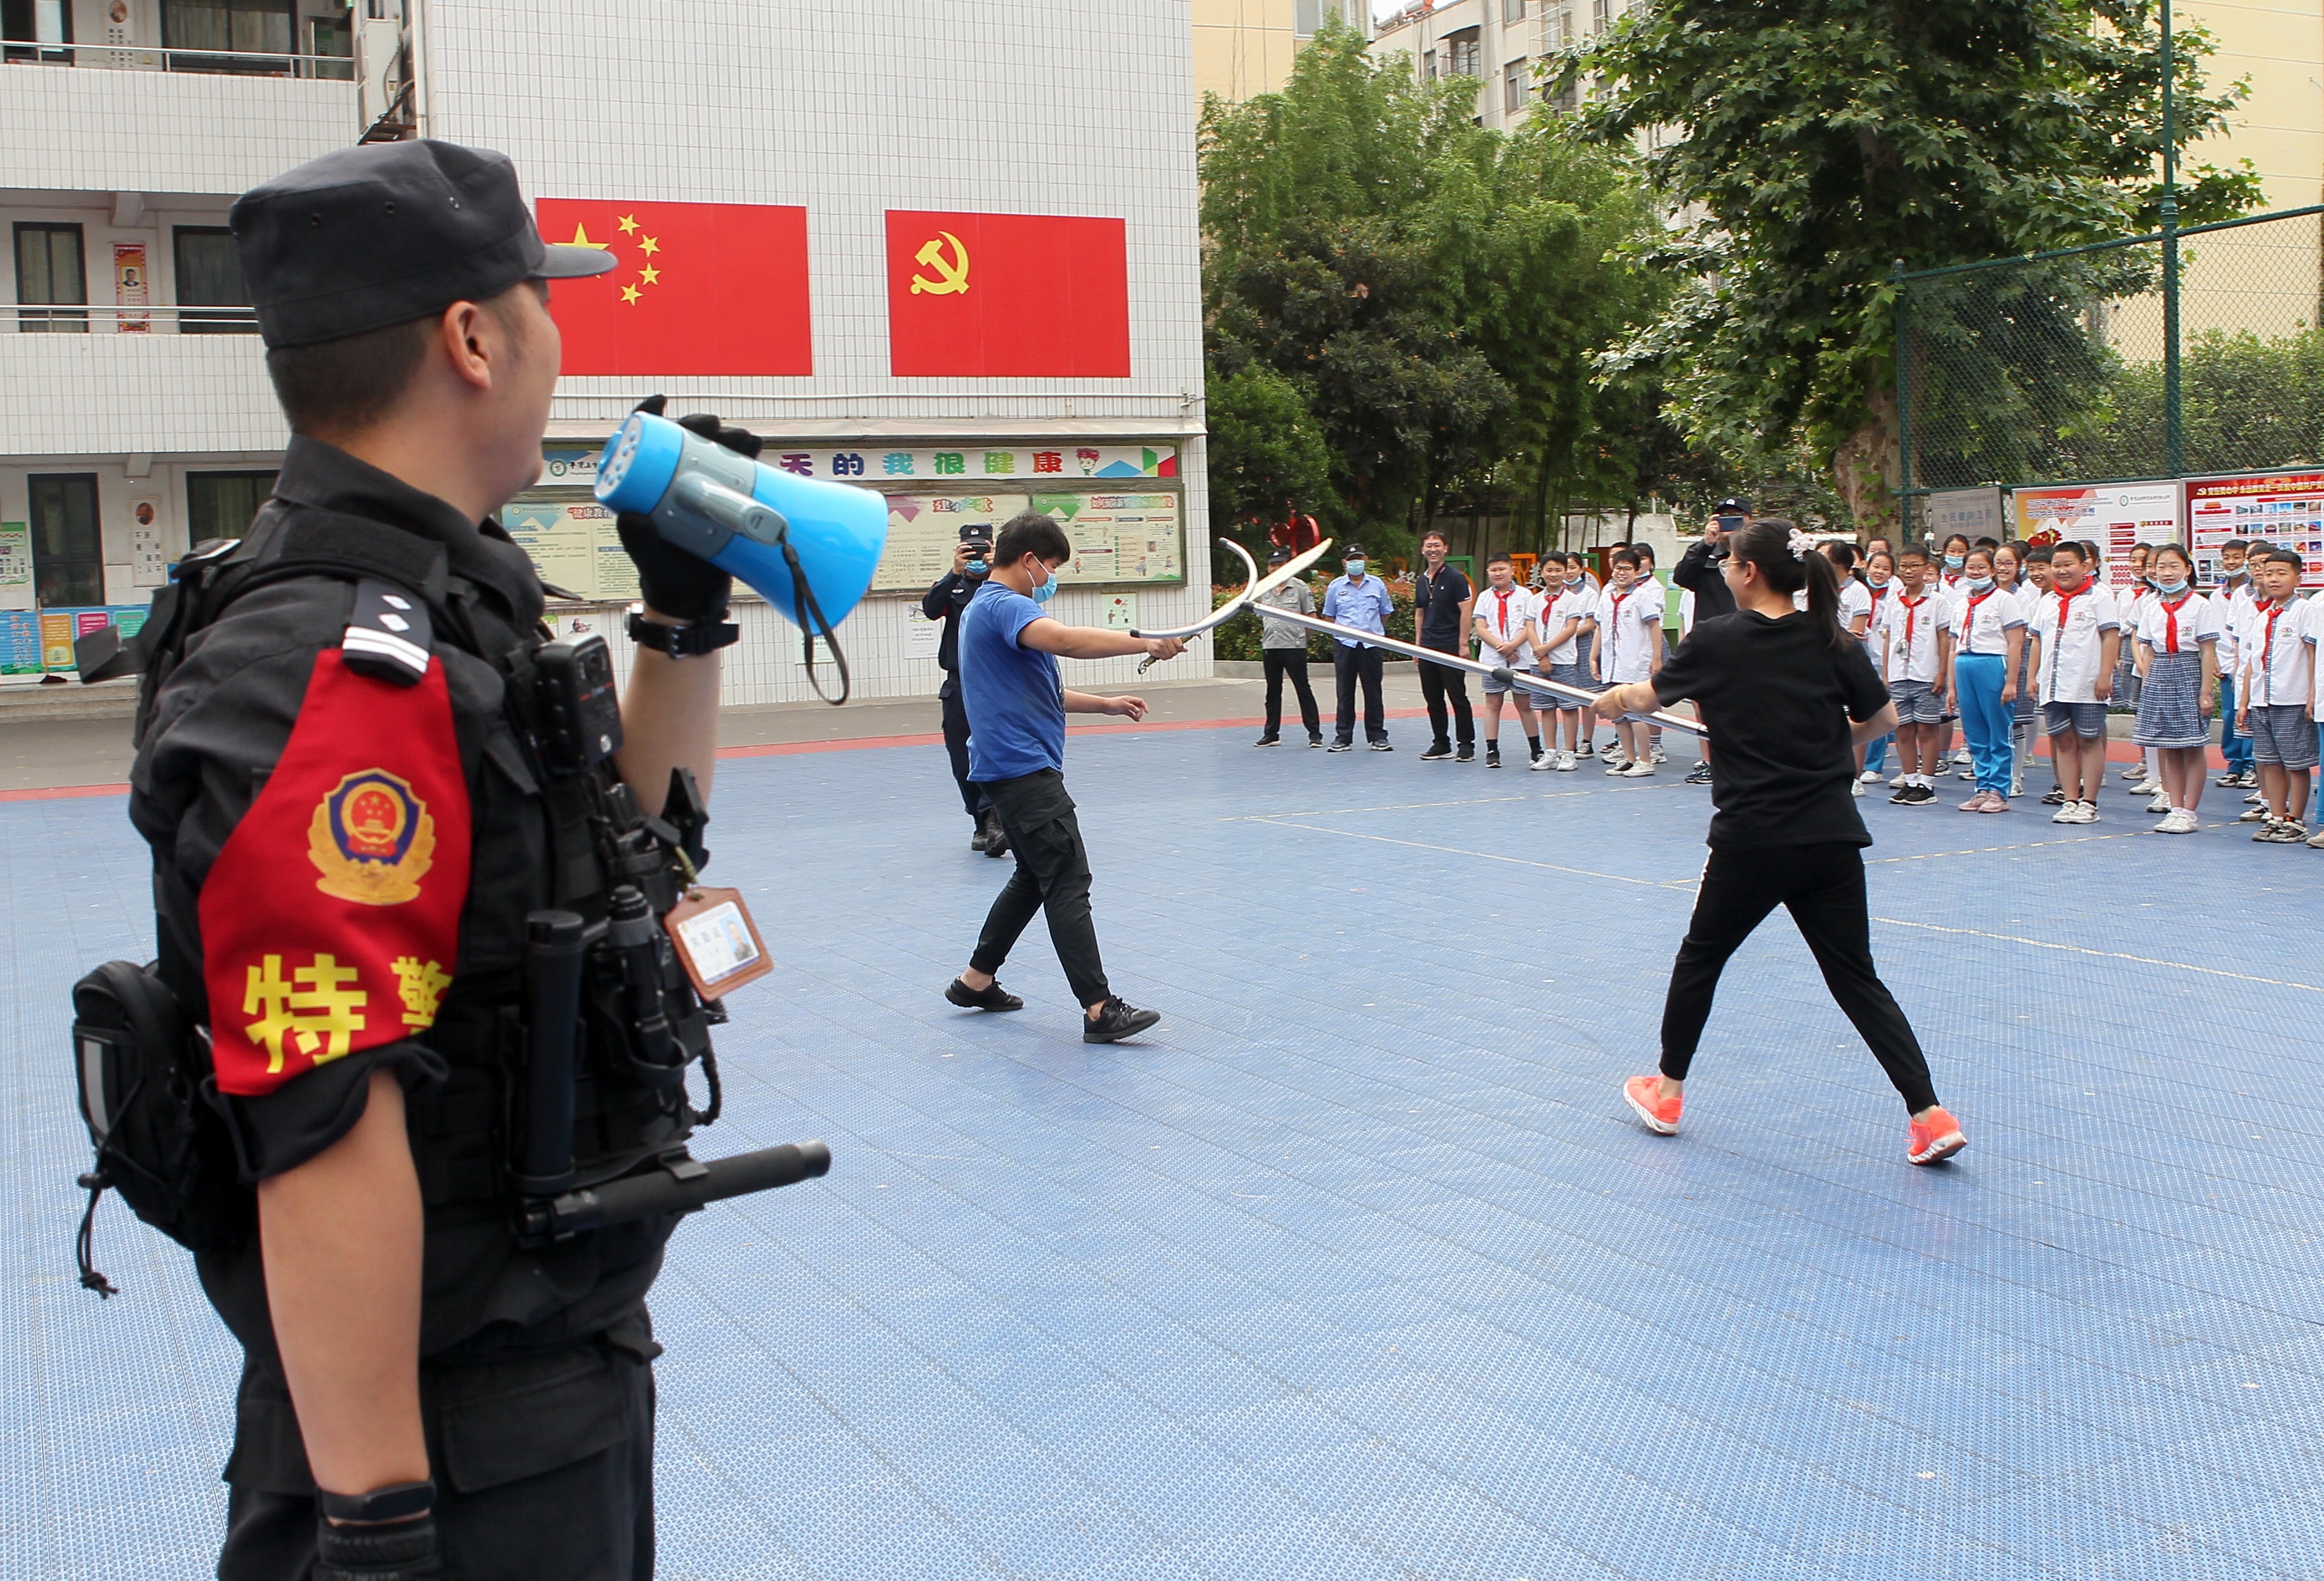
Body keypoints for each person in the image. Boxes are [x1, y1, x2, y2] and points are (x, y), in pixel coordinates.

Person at [129, 141, 733, 1581]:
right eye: (544, 298)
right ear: (473, 337)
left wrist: (682, 615)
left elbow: (627, 868)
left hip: (538, 1383)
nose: (560, 335)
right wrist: (380, 1523)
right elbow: (323, 1108)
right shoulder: (343, 669)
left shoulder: (448, 609)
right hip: (449, 1445)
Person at [1596, 519, 1965, 1167]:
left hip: (1753, 839)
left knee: (1700, 957)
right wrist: (1824, 746)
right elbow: (1881, 720)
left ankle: (1667, 1089)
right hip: (1829, 835)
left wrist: (1615, 700)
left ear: (1749, 572)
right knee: (1856, 978)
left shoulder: (1715, 639)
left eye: (1731, 562)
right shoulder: (1832, 640)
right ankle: (1929, 1113)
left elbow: (1646, 696)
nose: (1727, 571)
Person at [945, 511, 1181, 1038]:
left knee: (1034, 876)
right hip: (1022, 770)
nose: (1051, 578)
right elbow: (1068, 640)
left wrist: (1105, 705)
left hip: (1005, 766)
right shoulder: (1005, 606)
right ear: (1029, 560)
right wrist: (1144, 642)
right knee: (1068, 878)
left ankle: (975, 979)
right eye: (1050, 566)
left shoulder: (990, 611)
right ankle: (1099, 1008)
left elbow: (1041, 692)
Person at [925, 521, 1007, 856]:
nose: (976, 555)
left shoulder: (1002, 586)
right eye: (970, 549)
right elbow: (931, 609)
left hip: (994, 683)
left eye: (983, 549)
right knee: (962, 758)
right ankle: (980, 821)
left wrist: (994, 569)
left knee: (993, 750)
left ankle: (995, 820)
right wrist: (953, 573)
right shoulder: (953, 588)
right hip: (959, 684)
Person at [2023, 540, 2120, 825]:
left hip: (2086, 683)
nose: (2062, 571)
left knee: (2089, 741)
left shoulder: (2099, 597)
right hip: (2054, 684)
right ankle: (2069, 799)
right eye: (2057, 565)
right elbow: (2037, 640)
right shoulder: (2048, 600)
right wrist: (2033, 676)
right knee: (2063, 742)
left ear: (2085, 566)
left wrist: (2105, 675)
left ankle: (2089, 802)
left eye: (2069, 565)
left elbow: (2111, 635)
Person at [2130, 543, 2219, 833]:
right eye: (2161, 567)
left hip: (2187, 671)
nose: (2166, 573)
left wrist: (2206, 692)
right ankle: (2175, 806)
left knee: (2191, 746)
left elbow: (2207, 651)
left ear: (2188, 570)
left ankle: (2190, 811)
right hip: (2159, 674)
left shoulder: (2200, 605)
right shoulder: (2152, 606)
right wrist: (2148, 681)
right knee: (2168, 746)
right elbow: (2150, 649)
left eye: (2174, 567)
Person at [2234, 547, 2314, 842]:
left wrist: (2311, 696)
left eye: (2282, 573)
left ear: (2298, 577)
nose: (2274, 579)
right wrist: (2244, 703)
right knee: (2269, 762)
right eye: (2269, 574)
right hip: (2261, 700)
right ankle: (2276, 815)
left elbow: (2311, 657)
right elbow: (2251, 663)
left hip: (2291, 698)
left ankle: (2296, 819)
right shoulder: (2263, 615)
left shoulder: (2306, 612)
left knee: (2296, 762)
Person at [1945, 544, 2025, 812]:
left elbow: (2015, 643)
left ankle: (1998, 791)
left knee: (1998, 730)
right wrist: (1951, 686)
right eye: (1971, 567)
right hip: (1965, 664)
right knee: (1975, 731)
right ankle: (1982, 786)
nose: (1976, 572)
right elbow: (1953, 646)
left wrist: (2011, 681)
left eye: (1982, 567)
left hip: (1992, 663)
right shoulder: (1960, 604)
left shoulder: (2005, 600)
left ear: (1992, 570)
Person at [1875, 545, 1951, 806]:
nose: (1908, 571)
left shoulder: (1937, 601)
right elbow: (1887, 638)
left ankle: (1927, 784)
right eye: (1904, 566)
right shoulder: (1894, 601)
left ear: (1926, 568)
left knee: (1927, 729)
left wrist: (1941, 672)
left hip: (1926, 673)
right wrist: (1886, 673)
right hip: (1898, 674)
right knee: (1903, 731)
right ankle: (1910, 780)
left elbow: (1943, 637)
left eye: (1914, 566)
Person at [1592, 548, 1664, 775]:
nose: (1621, 573)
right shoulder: (1607, 595)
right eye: (1618, 568)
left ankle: (1645, 760)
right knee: (1618, 713)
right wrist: (1593, 657)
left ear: (1636, 571)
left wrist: (1656, 658)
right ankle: (1629, 758)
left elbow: (1654, 626)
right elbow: (1599, 627)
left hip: (1635, 663)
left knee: (1636, 714)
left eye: (1627, 569)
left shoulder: (1641, 596)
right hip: (1612, 664)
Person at [1322, 541, 1396, 752]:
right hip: (1345, 645)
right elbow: (1329, 616)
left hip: (1371, 644)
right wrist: (1341, 635)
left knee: (1373, 691)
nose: (1356, 564)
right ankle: (1343, 737)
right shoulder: (1336, 587)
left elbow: (1385, 612)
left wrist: (1374, 631)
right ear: (1345, 563)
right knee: (1344, 691)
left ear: (1365, 561)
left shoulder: (1377, 585)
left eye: (1360, 560)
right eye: (1352, 561)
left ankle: (1378, 736)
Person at [1410, 529, 1475, 761]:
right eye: (1428, 545)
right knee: (1433, 697)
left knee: (1458, 696)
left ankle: (1466, 744)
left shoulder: (1456, 578)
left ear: (1445, 548)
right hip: (1428, 645)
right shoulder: (1421, 580)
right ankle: (1441, 743)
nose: (1433, 549)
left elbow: (1465, 611)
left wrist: (1463, 644)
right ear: (1423, 550)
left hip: (1450, 644)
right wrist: (1417, 645)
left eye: (1437, 545)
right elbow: (1420, 613)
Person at [1471, 552, 1541, 768]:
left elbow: (1529, 627)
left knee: (1525, 705)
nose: (1498, 573)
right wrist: (1501, 648)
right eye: (1493, 570)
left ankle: (1536, 749)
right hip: (1493, 659)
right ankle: (1492, 750)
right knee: (1493, 704)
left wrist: (1513, 646)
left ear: (1512, 570)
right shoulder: (1484, 597)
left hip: (1521, 658)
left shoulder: (1526, 595)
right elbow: (1481, 628)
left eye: (1502, 569)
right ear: (1488, 572)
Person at [1531, 550, 1595, 771]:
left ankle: (1569, 752)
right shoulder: (1535, 599)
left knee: (1568, 707)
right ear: (1542, 572)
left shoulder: (1572, 600)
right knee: (1546, 708)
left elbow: (1571, 629)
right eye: (1549, 570)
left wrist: (1547, 649)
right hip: (1539, 661)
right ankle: (1550, 751)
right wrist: (1541, 655)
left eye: (1559, 570)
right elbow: (1530, 627)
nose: (1554, 574)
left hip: (1564, 661)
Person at [1252, 546, 1322, 748]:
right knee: (1272, 692)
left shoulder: (1300, 587)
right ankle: (1271, 734)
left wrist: (1302, 639)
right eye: (1273, 565)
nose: (1276, 569)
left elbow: (1311, 618)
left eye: (1280, 565)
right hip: (1271, 646)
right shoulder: (1262, 589)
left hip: (1294, 646)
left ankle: (1314, 734)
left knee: (1303, 689)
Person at [2210, 538, 2257, 790]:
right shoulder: (2221, 595)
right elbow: (2222, 631)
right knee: (2231, 716)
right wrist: (2219, 659)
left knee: (2250, 714)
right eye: (2227, 557)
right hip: (2229, 663)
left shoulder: (2257, 593)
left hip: (2252, 665)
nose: (2232, 563)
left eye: (2238, 557)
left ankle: (2252, 766)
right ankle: (2234, 764)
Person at [1857, 549, 1897, 786]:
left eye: (1885, 568)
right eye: (1876, 567)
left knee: (1879, 709)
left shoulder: (1894, 596)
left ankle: (1874, 765)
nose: (1879, 572)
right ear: (1866, 567)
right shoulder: (1857, 592)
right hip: (1860, 656)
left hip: (1883, 658)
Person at [1672, 500, 1743, 623]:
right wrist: (1706, 544)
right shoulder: (1703, 554)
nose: (1731, 520)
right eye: (1725, 516)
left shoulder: (1760, 555)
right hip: (1713, 635)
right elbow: (1681, 578)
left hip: (1752, 634)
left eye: (1737, 515)